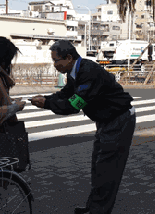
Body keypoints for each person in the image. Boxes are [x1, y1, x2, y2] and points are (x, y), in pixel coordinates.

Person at [30, 40, 136, 214]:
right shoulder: (75, 71)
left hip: (119, 120)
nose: (54, 65)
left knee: (107, 171)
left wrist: (46, 104)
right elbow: (66, 93)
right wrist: (47, 98)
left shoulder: (88, 72)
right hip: (106, 121)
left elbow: (73, 104)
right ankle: (93, 208)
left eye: (56, 60)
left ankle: (99, 211)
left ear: (69, 57)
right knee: (98, 167)